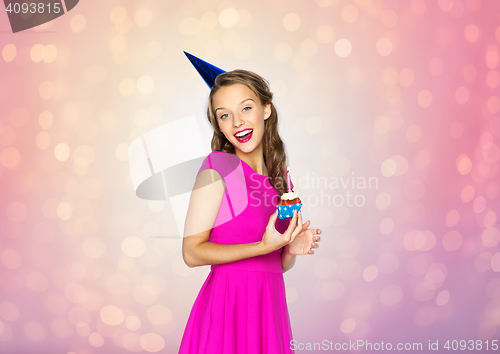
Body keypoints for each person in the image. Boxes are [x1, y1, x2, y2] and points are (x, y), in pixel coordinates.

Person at [178, 68, 322, 353]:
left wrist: (289, 249)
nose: (237, 122)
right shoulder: (218, 167)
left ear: (266, 109)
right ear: (218, 125)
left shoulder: (279, 178)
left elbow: (275, 265)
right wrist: (262, 245)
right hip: (227, 309)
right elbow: (191, 253)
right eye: (224, 115)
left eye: (246, 107)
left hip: (268, 307)